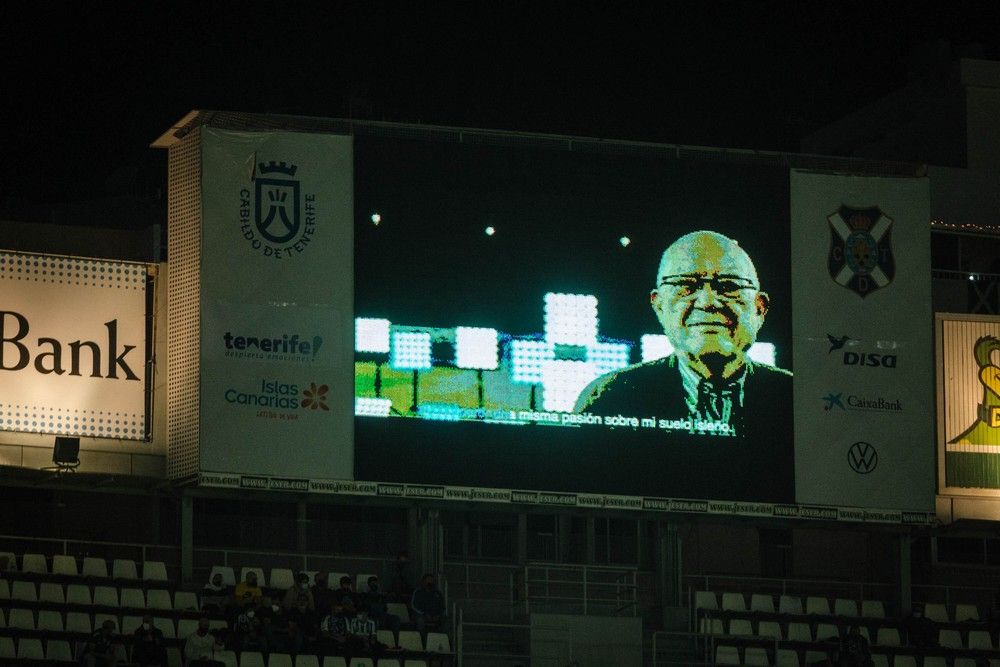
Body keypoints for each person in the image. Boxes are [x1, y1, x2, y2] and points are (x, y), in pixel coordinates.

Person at [574, 230, 791, 436]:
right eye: (687, 286)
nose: (708, 302)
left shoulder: (797, 397)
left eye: (728, 286)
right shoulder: (609, 398)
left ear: (760, 308)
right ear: (659, 306)